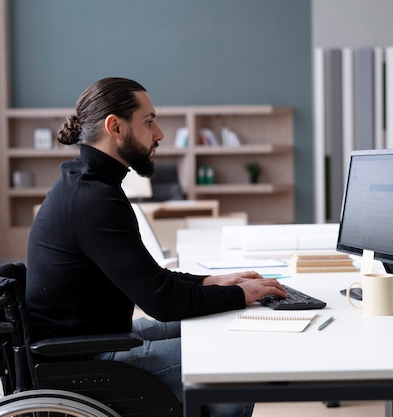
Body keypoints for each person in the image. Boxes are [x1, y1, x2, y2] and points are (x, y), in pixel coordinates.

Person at [26, 77, 287, 417]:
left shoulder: (88, 183)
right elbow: (162, 301)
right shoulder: (93, 198)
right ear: (115, 126)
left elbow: (151, 279)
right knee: (231, 353)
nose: (159, 133)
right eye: (149, 122)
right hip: (86, 362)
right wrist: (243, 294)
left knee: (218, 320)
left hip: (92, 338)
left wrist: (212, 283)